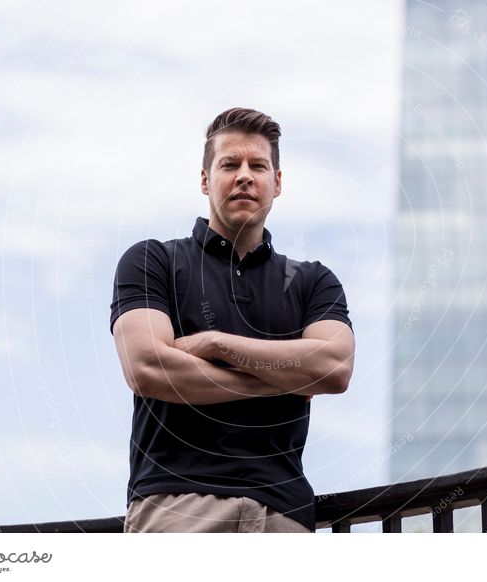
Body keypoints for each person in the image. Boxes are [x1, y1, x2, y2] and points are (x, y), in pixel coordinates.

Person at [110, 107, 355, 533]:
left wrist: (215, 345)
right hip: (177, 506)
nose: (245, 175)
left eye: (258, 165)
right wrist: (285, 380)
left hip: (284, 516)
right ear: (206, 180)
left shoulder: (314, 281)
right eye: (229, 164)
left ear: (277, 183)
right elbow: (147, 366)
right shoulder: (153, 261)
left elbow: (334, 367)